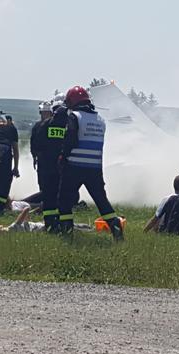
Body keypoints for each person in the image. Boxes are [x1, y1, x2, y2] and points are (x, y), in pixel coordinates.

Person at [57, 85, 124, 240]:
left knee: (64, 201)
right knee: (101, 201)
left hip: (74, 166)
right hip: (94, 168)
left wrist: (63, 156)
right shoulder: (100, 120)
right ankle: (117, 231)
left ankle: (66, 234)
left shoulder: (74, 116)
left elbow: (70, 139)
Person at [30, 98, 65, 232]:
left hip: (45, 166)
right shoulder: (66, 125)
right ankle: (60, 222)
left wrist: (36, 157)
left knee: (47, 194)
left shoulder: (40, 126)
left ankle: (50, 224)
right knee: (58, 193)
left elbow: (35, 145)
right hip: (59, 166)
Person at [0, 112, 20, 215]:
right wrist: (15, 167)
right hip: (4, 155)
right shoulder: (11, 127)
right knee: (5, 182)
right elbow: (15, 149)